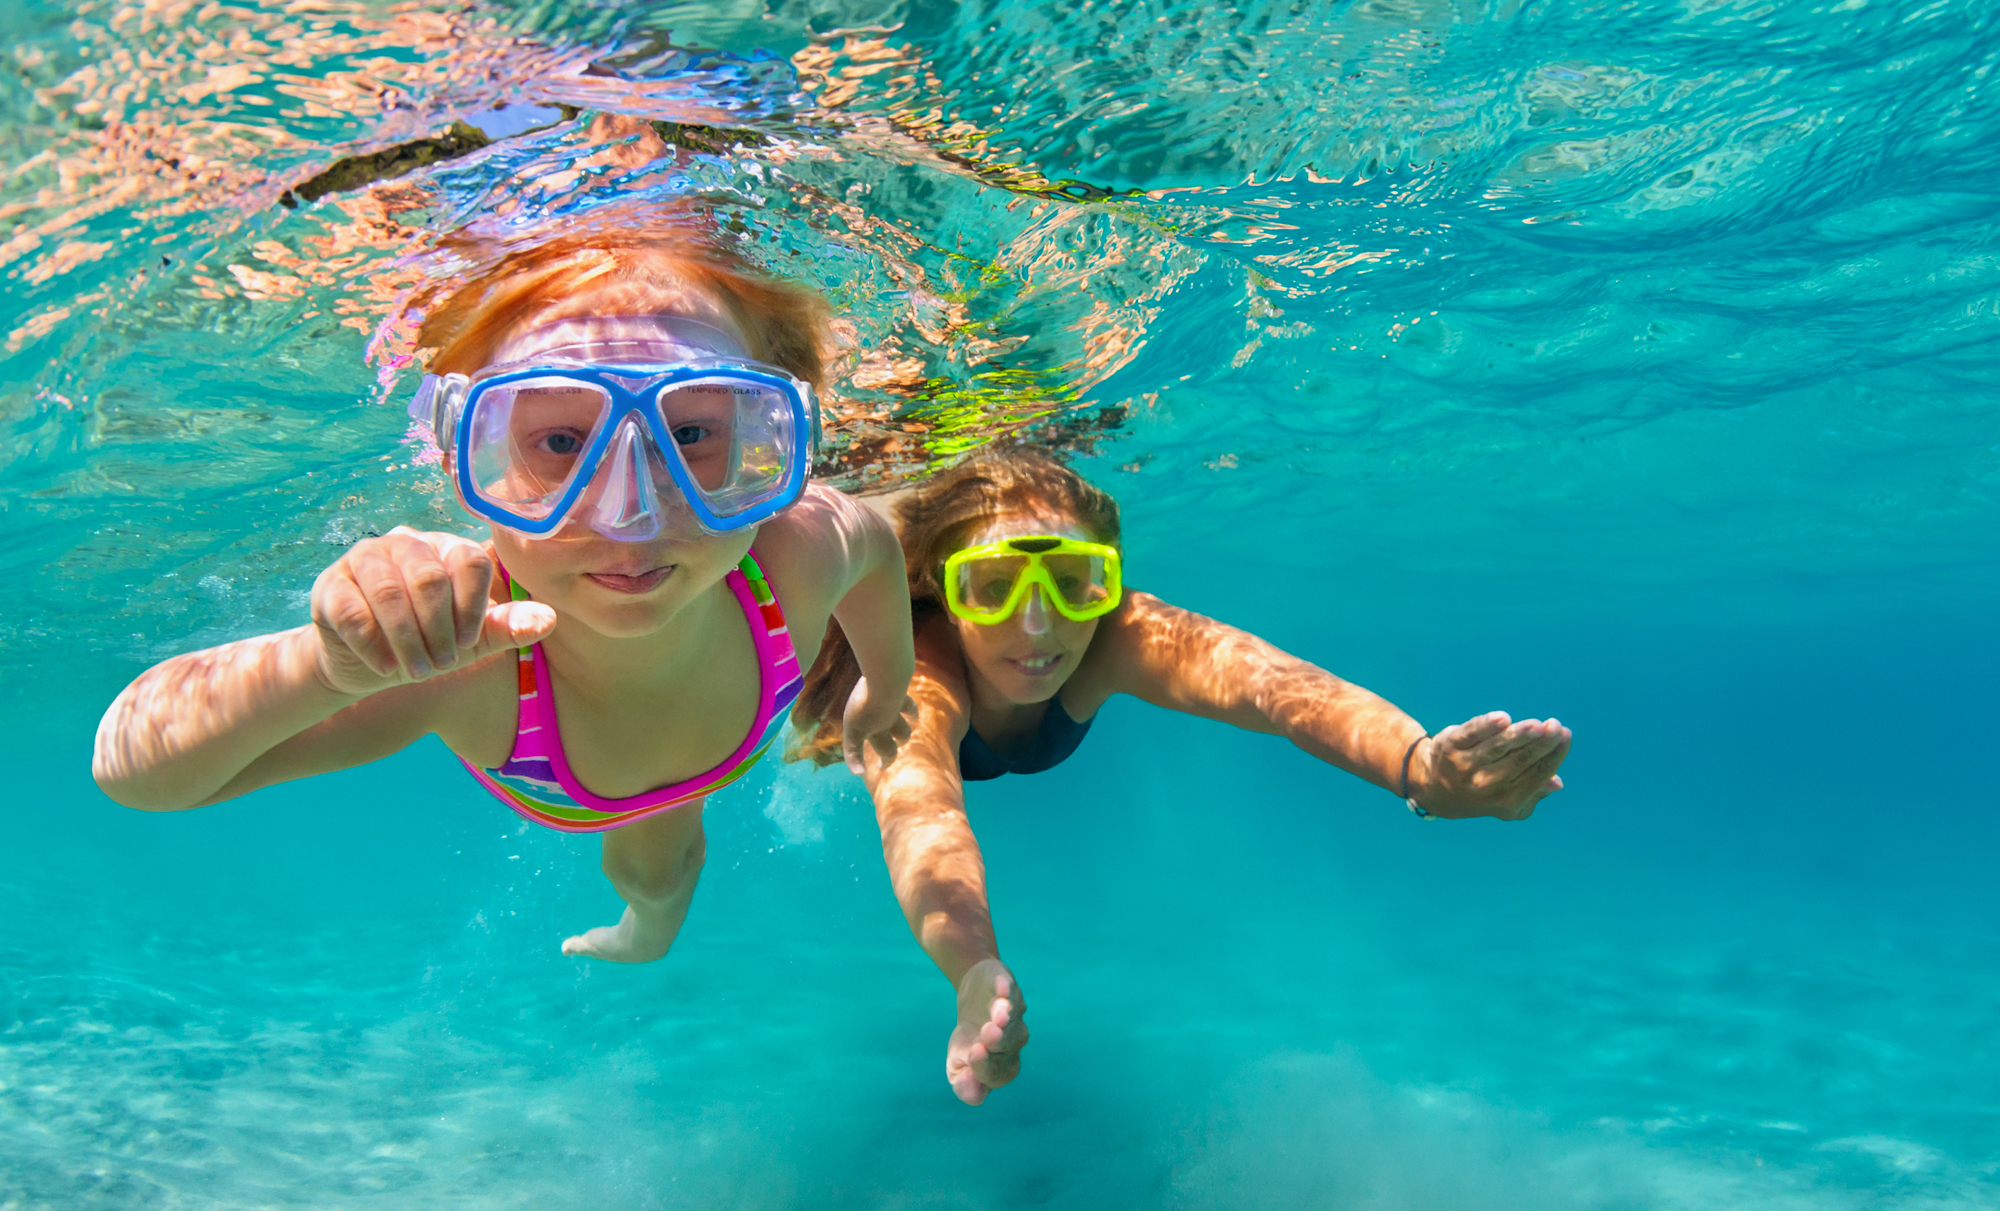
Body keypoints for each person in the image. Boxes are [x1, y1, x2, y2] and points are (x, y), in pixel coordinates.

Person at [94, 226, 916, 964]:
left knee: (667, 864)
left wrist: (882, 687)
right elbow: (135, 771)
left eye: (693, 434)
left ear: (767, 434)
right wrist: (327, 666)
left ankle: (647, 931)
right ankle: (643, 931)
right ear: (469, 457)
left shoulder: (797, 549)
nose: (630, 515)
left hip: (697, 766)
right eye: (560, 442)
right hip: (571, 776)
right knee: (650, 866)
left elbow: (878, 556)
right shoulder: (462, 650)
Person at [791, 447, 1572, 1104]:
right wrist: (970, 970)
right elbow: (923, 814)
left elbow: (1275, 688)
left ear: (1109, 583)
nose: (1038, 624)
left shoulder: (1118, 636)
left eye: (1074, 581)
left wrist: (1419, 767)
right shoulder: (916, 674)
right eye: (993, 586)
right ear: (947, 593)